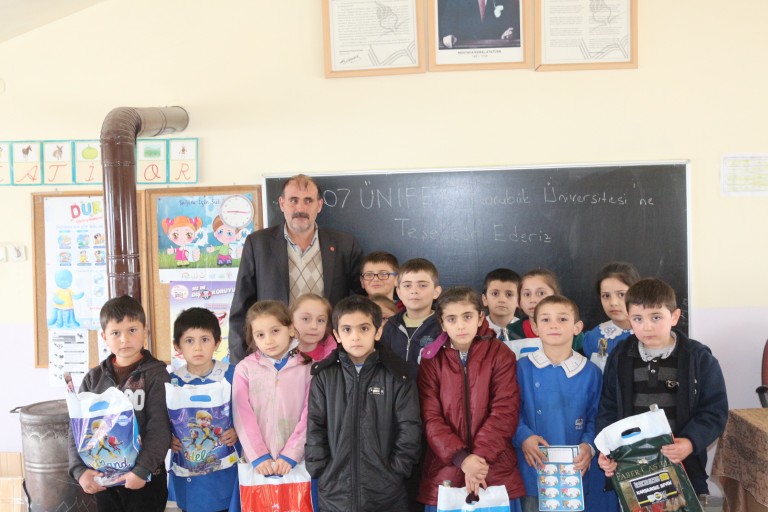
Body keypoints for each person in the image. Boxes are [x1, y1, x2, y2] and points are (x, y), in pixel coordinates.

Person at [596, 278, 728, 497]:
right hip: (633, 469)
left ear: (674, 316)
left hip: (685, 468)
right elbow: (608, 408)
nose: (647, 326)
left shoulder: (698, 359)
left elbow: (714, 411)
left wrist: (690, 442)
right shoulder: (620, 357)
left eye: (656, 317)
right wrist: (607, 450)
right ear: (629, 318)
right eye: (638, 318)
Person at [228, 174, 364, 364]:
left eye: (308, 201)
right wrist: (239, 364)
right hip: (274, 357)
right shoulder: (258, 244)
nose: (300, 208)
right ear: (282, 204)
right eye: (293, 200)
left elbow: (361, 301)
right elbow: (241, 309)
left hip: (329, 356)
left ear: (319, 205)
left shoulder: (344, 244)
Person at [305, 295, 422, 511]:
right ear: (337, 335)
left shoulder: (398, 376)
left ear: (378, 332)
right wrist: (321, 469)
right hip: (335, 493)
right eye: (347, 329)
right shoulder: (324, 377)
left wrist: (396, 470)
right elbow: (315, 427)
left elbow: (409, 428)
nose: (355, 337)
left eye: (364, 328)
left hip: (387, 494)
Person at [418, 286, 524, 511]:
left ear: (480, 318)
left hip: (494, 470)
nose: (460, 325)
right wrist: (462, 459)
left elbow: (505, 411)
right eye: (451, 319)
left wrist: (478, 461)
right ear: (442, 323)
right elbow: (430, 418)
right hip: (445, 471)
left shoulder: (500, 353)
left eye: (467, 316)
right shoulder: (431, 360)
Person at [512, 295, 616, 512]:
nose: (554, 325)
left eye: (562, 319)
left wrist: (588, 446)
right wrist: (523, 437)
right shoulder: (521, 368)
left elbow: (596, 416)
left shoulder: (590, 372)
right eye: (546, 319)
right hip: (532, 470)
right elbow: (509, 412)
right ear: (535, 327)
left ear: (577, 327)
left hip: (574, 473)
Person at [67, 295, 170, 511]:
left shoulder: (156, 375)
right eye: (116, 333)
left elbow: (160, 428)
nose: (124, 339)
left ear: (145, 331)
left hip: (144, 479)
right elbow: (76, 429)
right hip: (103, 480)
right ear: (104, 336)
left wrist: (142, 470)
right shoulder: (93, 378)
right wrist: (79, 470)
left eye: (132, 330)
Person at [167, 307, 240, 512]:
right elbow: (163, 420)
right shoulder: (172, 381)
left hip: (226, 472)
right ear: (177, 345)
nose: (197, 348)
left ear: (217, 342)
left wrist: (238, 431)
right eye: (189, 340)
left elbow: (249, 413)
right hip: (188, 473)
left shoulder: (233, 375)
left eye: (205, 339)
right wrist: (168, 439)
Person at [232, 301, 312, 479]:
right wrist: (258, 455)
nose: (268, 340)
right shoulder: (244, 369)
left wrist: (292, 453)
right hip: (258, 465)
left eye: (275, 331)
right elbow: (242, 416)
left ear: (290, 329)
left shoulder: (307, 368)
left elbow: (310, 415)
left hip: (298, 463)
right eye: (260, 335)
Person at [380, 258, 443, 367]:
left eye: (422, 285)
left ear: (436, 292)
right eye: (407, 285)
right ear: (399, 293)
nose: (414, 291)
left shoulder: (442, 326)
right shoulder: (390, 326)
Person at [582, 262, 640, 372]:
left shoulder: (649, 334)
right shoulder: (597, 336)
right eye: (606, 296)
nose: (613, 302)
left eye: (621, 294)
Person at [438, 0, 521, 49]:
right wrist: (448, 34)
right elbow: (447, 20)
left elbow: (513, 22)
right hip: (464, 50)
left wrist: (510, 32)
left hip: (495, 50)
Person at [291, 293, 337, 361]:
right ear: (291, 321)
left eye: (320, 320)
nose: (314, 326)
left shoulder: (333, 356)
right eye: (306, 319)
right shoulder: (279, 353)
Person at [482, 268, 522, 342]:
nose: (502, 300)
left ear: (519, 301)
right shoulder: (476, 330)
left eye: (509, 294)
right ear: (485, 299)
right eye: (495, 293)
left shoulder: (525, 329)